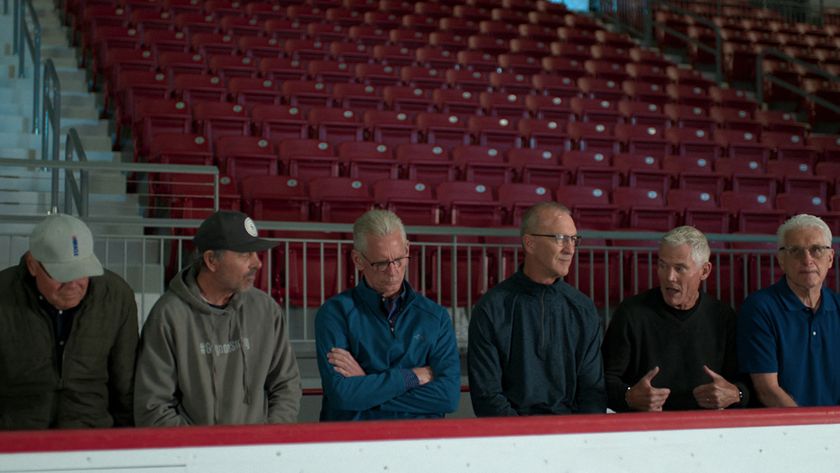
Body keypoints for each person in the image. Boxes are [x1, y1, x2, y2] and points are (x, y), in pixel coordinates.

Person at [134, 210, 301, 426]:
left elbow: (286, 385)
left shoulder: (266, 309)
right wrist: (205, 450)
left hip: (258, 452)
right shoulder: (168, 315)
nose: (257, 263)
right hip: (197, 455)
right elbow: (154, 406)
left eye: (255, 254)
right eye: (244, 254)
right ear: (211, 260)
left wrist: (269, 438)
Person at [315, 209, 460, 421]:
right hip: (353, 445)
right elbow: (342, 394)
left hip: (419, 445)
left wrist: (368, 385)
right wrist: (410, 378)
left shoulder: (435, 316)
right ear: (358, 260)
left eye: (399, 259)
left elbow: (448, 397)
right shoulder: (334, 314)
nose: (393, 271)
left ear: (407, 249)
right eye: (381, 263)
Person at [0, 213, 138, 429]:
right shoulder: (4, 295)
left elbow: (125, 382)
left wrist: (125, 443)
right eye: (62, 274)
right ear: (33, 265)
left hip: (92, 433)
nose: (74, 285)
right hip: (16, 437)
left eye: (83, 272)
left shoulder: (116, 296)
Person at [468, 201, 606, 416]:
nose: (570, 249)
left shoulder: (583, 309)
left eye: (574, 239)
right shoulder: (491, 309)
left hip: (571, 437)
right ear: (530, 244)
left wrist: (579, 439)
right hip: (512, 440)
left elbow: (592, 393)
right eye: (560, 239)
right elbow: (487, 396)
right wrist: (526, 439)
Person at [602, 226, 748, 412]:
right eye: (663, 265)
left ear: (704, 271)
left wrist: (735, 394)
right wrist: (629, 395)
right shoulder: (631, 313)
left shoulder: (723, 316)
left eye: (680, 268)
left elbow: (745, 386)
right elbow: (603, 381)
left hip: (708, 430)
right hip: (644, 430)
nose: (669, 277)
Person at [738, 214, 839, 407]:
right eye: (796, 251)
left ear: (830, 258)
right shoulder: (760, 308)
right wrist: (809, 431)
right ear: (782, 260)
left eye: (816, 250)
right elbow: (767, 390)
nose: (807, 260)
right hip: (787, 430)